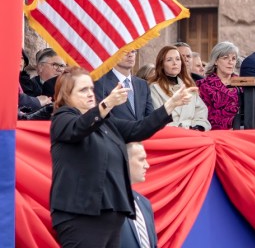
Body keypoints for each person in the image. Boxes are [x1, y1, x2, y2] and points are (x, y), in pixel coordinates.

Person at [50, 66, 195, 247]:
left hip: (111, 215)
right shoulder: (63, 117)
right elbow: (80, 127)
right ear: (66, 95)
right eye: (82, 90)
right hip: (82, 216)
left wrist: (170, 105)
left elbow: (139, 128)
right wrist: (107, 104)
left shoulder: (106, 121)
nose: (90, 94)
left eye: (91, 89)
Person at [149, 46, 211, 131]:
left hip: (194, 134)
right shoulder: (154, 88)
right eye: (169, 60)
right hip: (170, 136)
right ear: (162, 64)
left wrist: (197, 127)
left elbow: (201, 113)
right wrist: (185, 127)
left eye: (178, 59)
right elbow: (157, 119)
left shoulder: (189, 86)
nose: (175, 63)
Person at [95, 49, 154, 120]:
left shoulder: (142, 84)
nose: (130, 55)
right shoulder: (101, 82)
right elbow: (102, 113)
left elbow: (150, 116)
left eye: (133, 51)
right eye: (125, 51)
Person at [120, 142, 158, 248]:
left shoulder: (144, 203)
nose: (147, 165)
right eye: (141, 159)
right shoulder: (106, 202)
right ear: (124, 160)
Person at [198, 42, 241, 130]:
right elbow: (204, 116)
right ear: (216, 61)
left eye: (233, 58)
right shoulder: (203, 85)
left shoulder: (243, 83)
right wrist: (232, 122)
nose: (230, 62)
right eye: (225, 58)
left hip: (243, 130)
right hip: (217, 133)